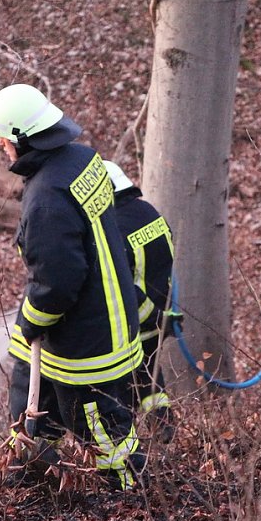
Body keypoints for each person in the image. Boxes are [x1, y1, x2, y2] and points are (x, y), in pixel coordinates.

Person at [0, 83, 145, 490]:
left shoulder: (46, 199)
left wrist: (30, 322)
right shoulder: (83, 160)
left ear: (23, 136)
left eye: (3, 139)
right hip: (99, 319)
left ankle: (132, 504)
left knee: (102, 433)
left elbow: (57, 283)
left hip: (85, 343)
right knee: (36, 416)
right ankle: (40, 489)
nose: (1, 147)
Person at [104, 160, 177, 443]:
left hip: (135, 323)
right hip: (159, 321)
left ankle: (133, 450)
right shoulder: (150, 213)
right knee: (151, 383)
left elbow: (122, 286)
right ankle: (166, 438)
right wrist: (163, 316)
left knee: (122, 393)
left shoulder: (115, 227)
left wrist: (152, 315)